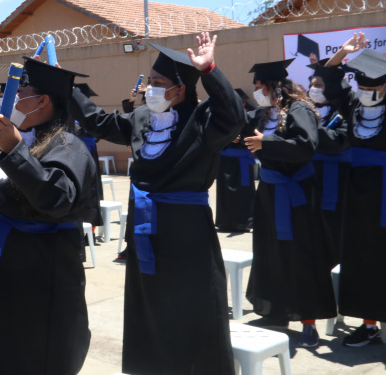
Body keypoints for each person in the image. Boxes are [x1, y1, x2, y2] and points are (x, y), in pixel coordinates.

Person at [70, 32, 242, 374]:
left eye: (159, 83)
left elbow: (234, 116)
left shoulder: (203, 120)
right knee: (150, 302)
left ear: (180, 89)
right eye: (150, 82)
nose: (151, 89)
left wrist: (209, 70)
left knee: (191, 305)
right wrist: (67, 87)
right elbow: (97, 122)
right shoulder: (142, 118)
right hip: (145, 229)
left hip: (186, 233)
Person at [0, 58, 97, 375]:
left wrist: (15, 150)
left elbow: (56, 200)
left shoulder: (67, 146)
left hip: (39, 270)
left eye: (19, 92)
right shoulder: (10, 141)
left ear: (42, 101)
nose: (8, 100)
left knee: (28, 348)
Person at [244, 58, 336, 348]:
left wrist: (266, 144)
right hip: (269, 192)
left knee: (302, 256)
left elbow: (307, 146)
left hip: (297, 195)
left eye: (260, 85)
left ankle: (309, 322)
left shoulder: (298, 109)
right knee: (270, 253)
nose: (257, 91)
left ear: (273, 85)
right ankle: (276, 313)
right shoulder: (263, 113)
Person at [325, 34, 386, 346]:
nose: (364, 92)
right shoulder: (353, 106)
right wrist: (341, 54)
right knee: (361, 256)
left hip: (384, 192)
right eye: (360, 86)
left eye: (371, 88)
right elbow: (330, 81)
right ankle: (369, 324)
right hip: (357, 192)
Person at [307, 55, 352, 268]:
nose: (314, 89)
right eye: (313, 84)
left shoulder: (345, 111)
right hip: (311, 176)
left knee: (334, 227)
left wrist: (309, 131)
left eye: (319, 85)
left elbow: (338, 140)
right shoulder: (306, 110)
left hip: (337, 177)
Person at [214, 88, 257, 233]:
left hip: (242, 159)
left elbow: (254, 136)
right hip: (225, 160)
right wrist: (228, 137)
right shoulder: (222, 116)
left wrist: (241, 139)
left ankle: (245, 223)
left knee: (244, 192)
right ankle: (225, 222)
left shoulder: (250, 115)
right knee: (225, 192)